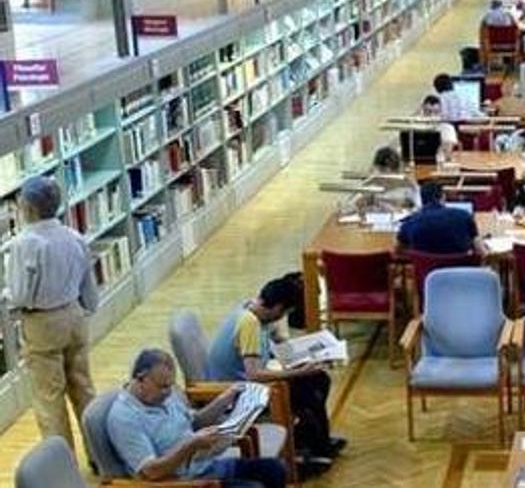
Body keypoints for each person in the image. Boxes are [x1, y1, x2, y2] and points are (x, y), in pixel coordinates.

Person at [206, 277, 342, 472]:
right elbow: (253, 374)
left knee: (318, 379)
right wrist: (297, 371)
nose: (282, 318)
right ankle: (315, 446)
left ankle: (314, 439)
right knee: (307, 391)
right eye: (284, 313)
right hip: (239, 392)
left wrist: (301, 357)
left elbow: (276, 344)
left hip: (244, 382)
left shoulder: (253, 309)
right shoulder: (249, 324)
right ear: (278, 308)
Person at [5, 176, 97, 451]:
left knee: (49, 399)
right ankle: (98, 452)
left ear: (28, 207)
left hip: (43, 323)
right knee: (83, 387)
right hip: (74, 315)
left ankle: (63, 463)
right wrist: (86, 308)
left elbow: (21, 294)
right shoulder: (74, 237)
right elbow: (88, 287)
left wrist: (8, 300)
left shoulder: (25, 243)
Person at [107, 349, 286, 487]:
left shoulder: (165, 395)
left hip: (205, 467)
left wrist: (225, 398)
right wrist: (191, 444)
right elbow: (151, 471)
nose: (168, 392)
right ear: (140, 380)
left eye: (170, 385)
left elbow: (194, 422)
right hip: (183, 482)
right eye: (162, 387)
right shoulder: (124, 417)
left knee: (274, 470)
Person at [397, 182, 486, 256]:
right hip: (461, 273)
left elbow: (398, 253)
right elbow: (480, 252)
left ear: (421, 200)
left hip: (426, 274)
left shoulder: (410, 222)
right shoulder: (464, 215)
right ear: (443, 196)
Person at [356, 146, 420, 213]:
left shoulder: (408, 186)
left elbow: (416, 209)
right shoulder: (370, 184)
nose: (385, 177)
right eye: (382, 170)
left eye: (389, 171)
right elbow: (355, 206)